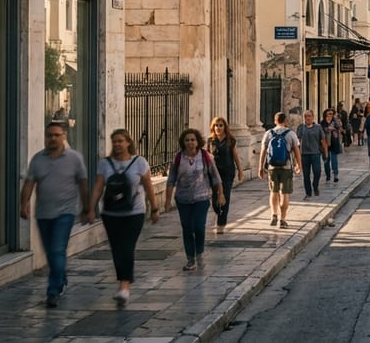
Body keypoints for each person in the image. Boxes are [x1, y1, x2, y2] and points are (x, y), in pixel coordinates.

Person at [20, 122, 90, 307]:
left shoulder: (74, 158)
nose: (52, 138)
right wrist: (24, 203)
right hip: (43, 213)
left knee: (57, 249)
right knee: (51, 252)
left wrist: (87, 208)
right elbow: (29, 183)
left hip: (65, 213)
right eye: (49, 135)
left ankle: (53, 291)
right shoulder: (38, 159)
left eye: (56, 135)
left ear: (64, 136)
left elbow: (83, 183)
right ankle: (61, 278)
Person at [90, 129, 158, 306]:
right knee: (116, 249)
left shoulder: (139, 162)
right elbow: (98, 187)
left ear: (128, 142)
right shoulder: (105, 164)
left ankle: (124, 286)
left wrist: (155, 207)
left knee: (127, 247)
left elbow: (148, 186)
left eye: (121, 141)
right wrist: (90, 208)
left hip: (134, 213)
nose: (118, 144)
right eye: (115, 141)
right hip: (110, 214)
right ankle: (124, 281)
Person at [164, 128, 224, 272]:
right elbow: (171, 179)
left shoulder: (204, 156)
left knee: (198, 227)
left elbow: (215, 176)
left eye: (193, 140)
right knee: (187, 229)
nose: (190, 143)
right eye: (187, 140)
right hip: (183, 199)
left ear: (197, 142)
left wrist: (220, 193)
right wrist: (167, 200)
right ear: (183, 143)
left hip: (201, 198)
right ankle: (190, 259)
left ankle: (200, 254)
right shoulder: (178, 158)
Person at [259, 111, 301, 228]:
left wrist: (261, 167)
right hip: (286, 167)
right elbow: (296, 150)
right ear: (285, 121)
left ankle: (273, 214)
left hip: (272, 167)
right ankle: (282, 219)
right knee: (285, 193)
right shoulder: (291, 133)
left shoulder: (268, 133)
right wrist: (299, 165)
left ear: (275, 121)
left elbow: (263, 151)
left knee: (273, 191)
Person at [206, 116, 243, 234]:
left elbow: (235, 156)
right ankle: (218, 212)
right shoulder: (210, 141)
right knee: (215, 199)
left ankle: (221, 223)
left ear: (224, 127)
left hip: (227, 172)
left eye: (220, 125)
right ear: (213, 127)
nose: (218, 128)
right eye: (216, 125)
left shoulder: (230, 140)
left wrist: (240, 171)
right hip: (214, 173)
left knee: (225, 196)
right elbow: (206, 156)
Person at [296, 109, 327, 199]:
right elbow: (297, 141)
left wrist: (325, 153)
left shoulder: (318, 127)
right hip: (304, 154)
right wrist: (296, 157)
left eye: (309, 116)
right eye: (306, 116)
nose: (307, 118)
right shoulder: (301, 128)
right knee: (306, 175)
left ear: (313, 117)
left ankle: (315, 185)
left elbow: (323, 140)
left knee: (317, 171)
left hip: (315, 153)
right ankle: (308, 192)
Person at [320, 107, 343, 183]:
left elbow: (339, 128)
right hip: (325, 144)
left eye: (331, 114)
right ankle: (328, 175)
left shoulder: (335, 122)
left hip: (334, 143)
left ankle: (335, 175)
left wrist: (334, 128)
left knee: (334, 160)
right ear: (325, 115)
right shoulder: (322, 123)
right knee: (326, 160)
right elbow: (320, 132)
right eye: (329, 114)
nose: (330, 115)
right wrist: (327, 129)